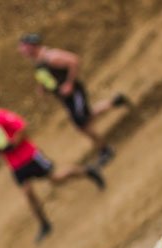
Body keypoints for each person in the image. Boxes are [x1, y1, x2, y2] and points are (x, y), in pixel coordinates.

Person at [0, 99, 105, 243]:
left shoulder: (1, 116)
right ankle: (44, 224)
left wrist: (13, 144)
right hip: (15, 165)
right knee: (28, 193)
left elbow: (22, 128)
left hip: (30, 156)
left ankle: (88, 172)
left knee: (56, 178)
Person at [17, 33, 131, 166]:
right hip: (65, 97)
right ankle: (115, 102)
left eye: (23, 47)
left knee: (82, 125)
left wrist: (69, 84)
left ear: (31, 46)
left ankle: (105, 149)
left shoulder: (51, 57)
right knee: (86, 117)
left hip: (74, 93)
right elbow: (48, 74)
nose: (21, 50)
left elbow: (74, 61)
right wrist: (43, 86)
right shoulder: (38, 60)